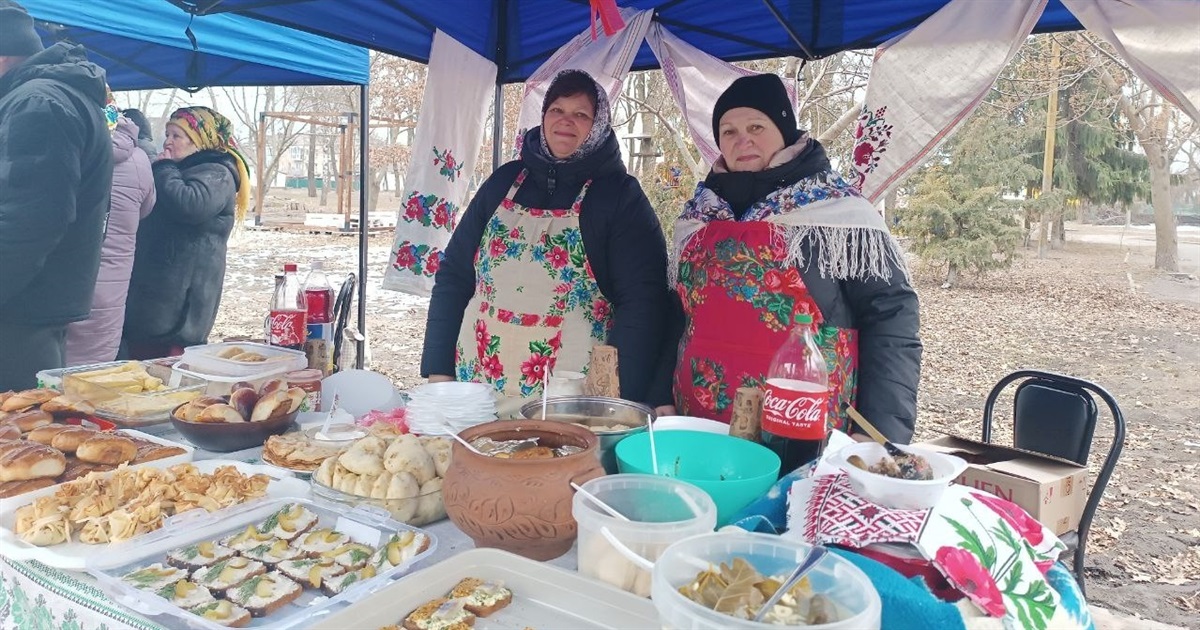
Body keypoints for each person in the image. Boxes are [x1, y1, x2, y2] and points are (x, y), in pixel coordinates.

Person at [659, 73, 922, 443]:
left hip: (803, 424)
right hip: (699, 420)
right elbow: (676, 315)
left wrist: (878, 429)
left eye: (756, 126)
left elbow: (891, 314)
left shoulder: (839, 213)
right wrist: (659, 395)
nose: (742, 139)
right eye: (728, 131)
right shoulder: (698, 216)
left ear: (784, 131)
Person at [422, 69, 671, 407]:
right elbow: (454, 275)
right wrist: (439, 373)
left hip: (570, 402)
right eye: (557, 109)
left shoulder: (619, 197)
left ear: (598, 126)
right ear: (543, 116)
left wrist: (612, 402)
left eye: (581, 114)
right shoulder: (504, 181)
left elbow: (642, 304)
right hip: (474, 392)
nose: (566, 120)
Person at [0, 0, 112, 390]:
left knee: (17, 439)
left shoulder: (38, 102)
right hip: (30, 306)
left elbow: (29, 221)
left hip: (19, 313)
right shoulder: (45, 96)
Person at [121, 105, 250, 360]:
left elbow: (190, 204)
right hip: (158, 298)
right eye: (166, 135)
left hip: (180, 309)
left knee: (166, 370)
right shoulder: (186, 169)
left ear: (199, 141)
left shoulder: (217, 172)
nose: (167, 142)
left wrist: (165, 167)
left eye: (176, 136)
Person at [65, 92, 156, 366]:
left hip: (68, 277)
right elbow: (146, 208)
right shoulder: (140, 160)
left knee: (49, 379)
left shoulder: (70, 148)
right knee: (96, 372)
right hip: (113, 282)